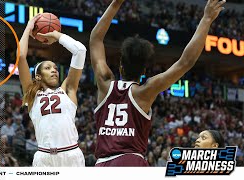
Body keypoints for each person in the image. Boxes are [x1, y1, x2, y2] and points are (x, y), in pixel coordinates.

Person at [89, 0, 226, 166]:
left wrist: (116, 4)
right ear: (144, 72)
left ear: (120, 66)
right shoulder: (144, 91)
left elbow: (95, 39)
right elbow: (186, 62)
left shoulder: (104, 83)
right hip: (131, 161)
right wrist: (206, 19)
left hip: (102, 165)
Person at [17, 14, 86, 166]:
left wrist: (57, 35)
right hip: (44, 157)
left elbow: (80, 51)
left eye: (55, 68)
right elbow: (21, 56)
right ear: (38, 77)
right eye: (48, 68)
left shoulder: (68, 89)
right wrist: (28, 28)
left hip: (71, 155)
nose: (54, 70)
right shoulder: (32, 95)